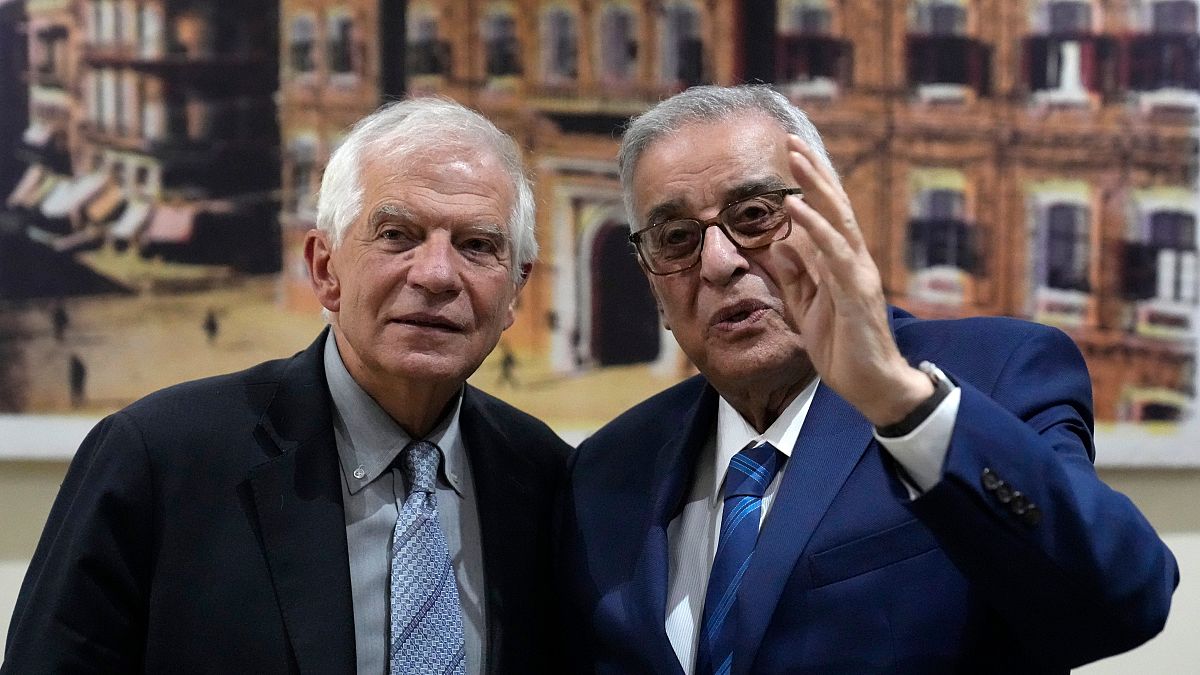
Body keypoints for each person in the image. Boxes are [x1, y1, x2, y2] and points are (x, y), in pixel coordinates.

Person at [555, 85, 1179, 674]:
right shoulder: (611, 467)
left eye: (753, 215)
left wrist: (898, 399)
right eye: (675, 238)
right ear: (649, 276)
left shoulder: (997, 375)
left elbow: (1121, 600)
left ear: (833, 219)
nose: (719, 262)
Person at [3, 98, 571, 674]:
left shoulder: (547, 479)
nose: (436, 274)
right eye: (398, 235)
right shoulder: (157, 459)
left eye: (477, 245)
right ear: (325, 268)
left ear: (515, 291)